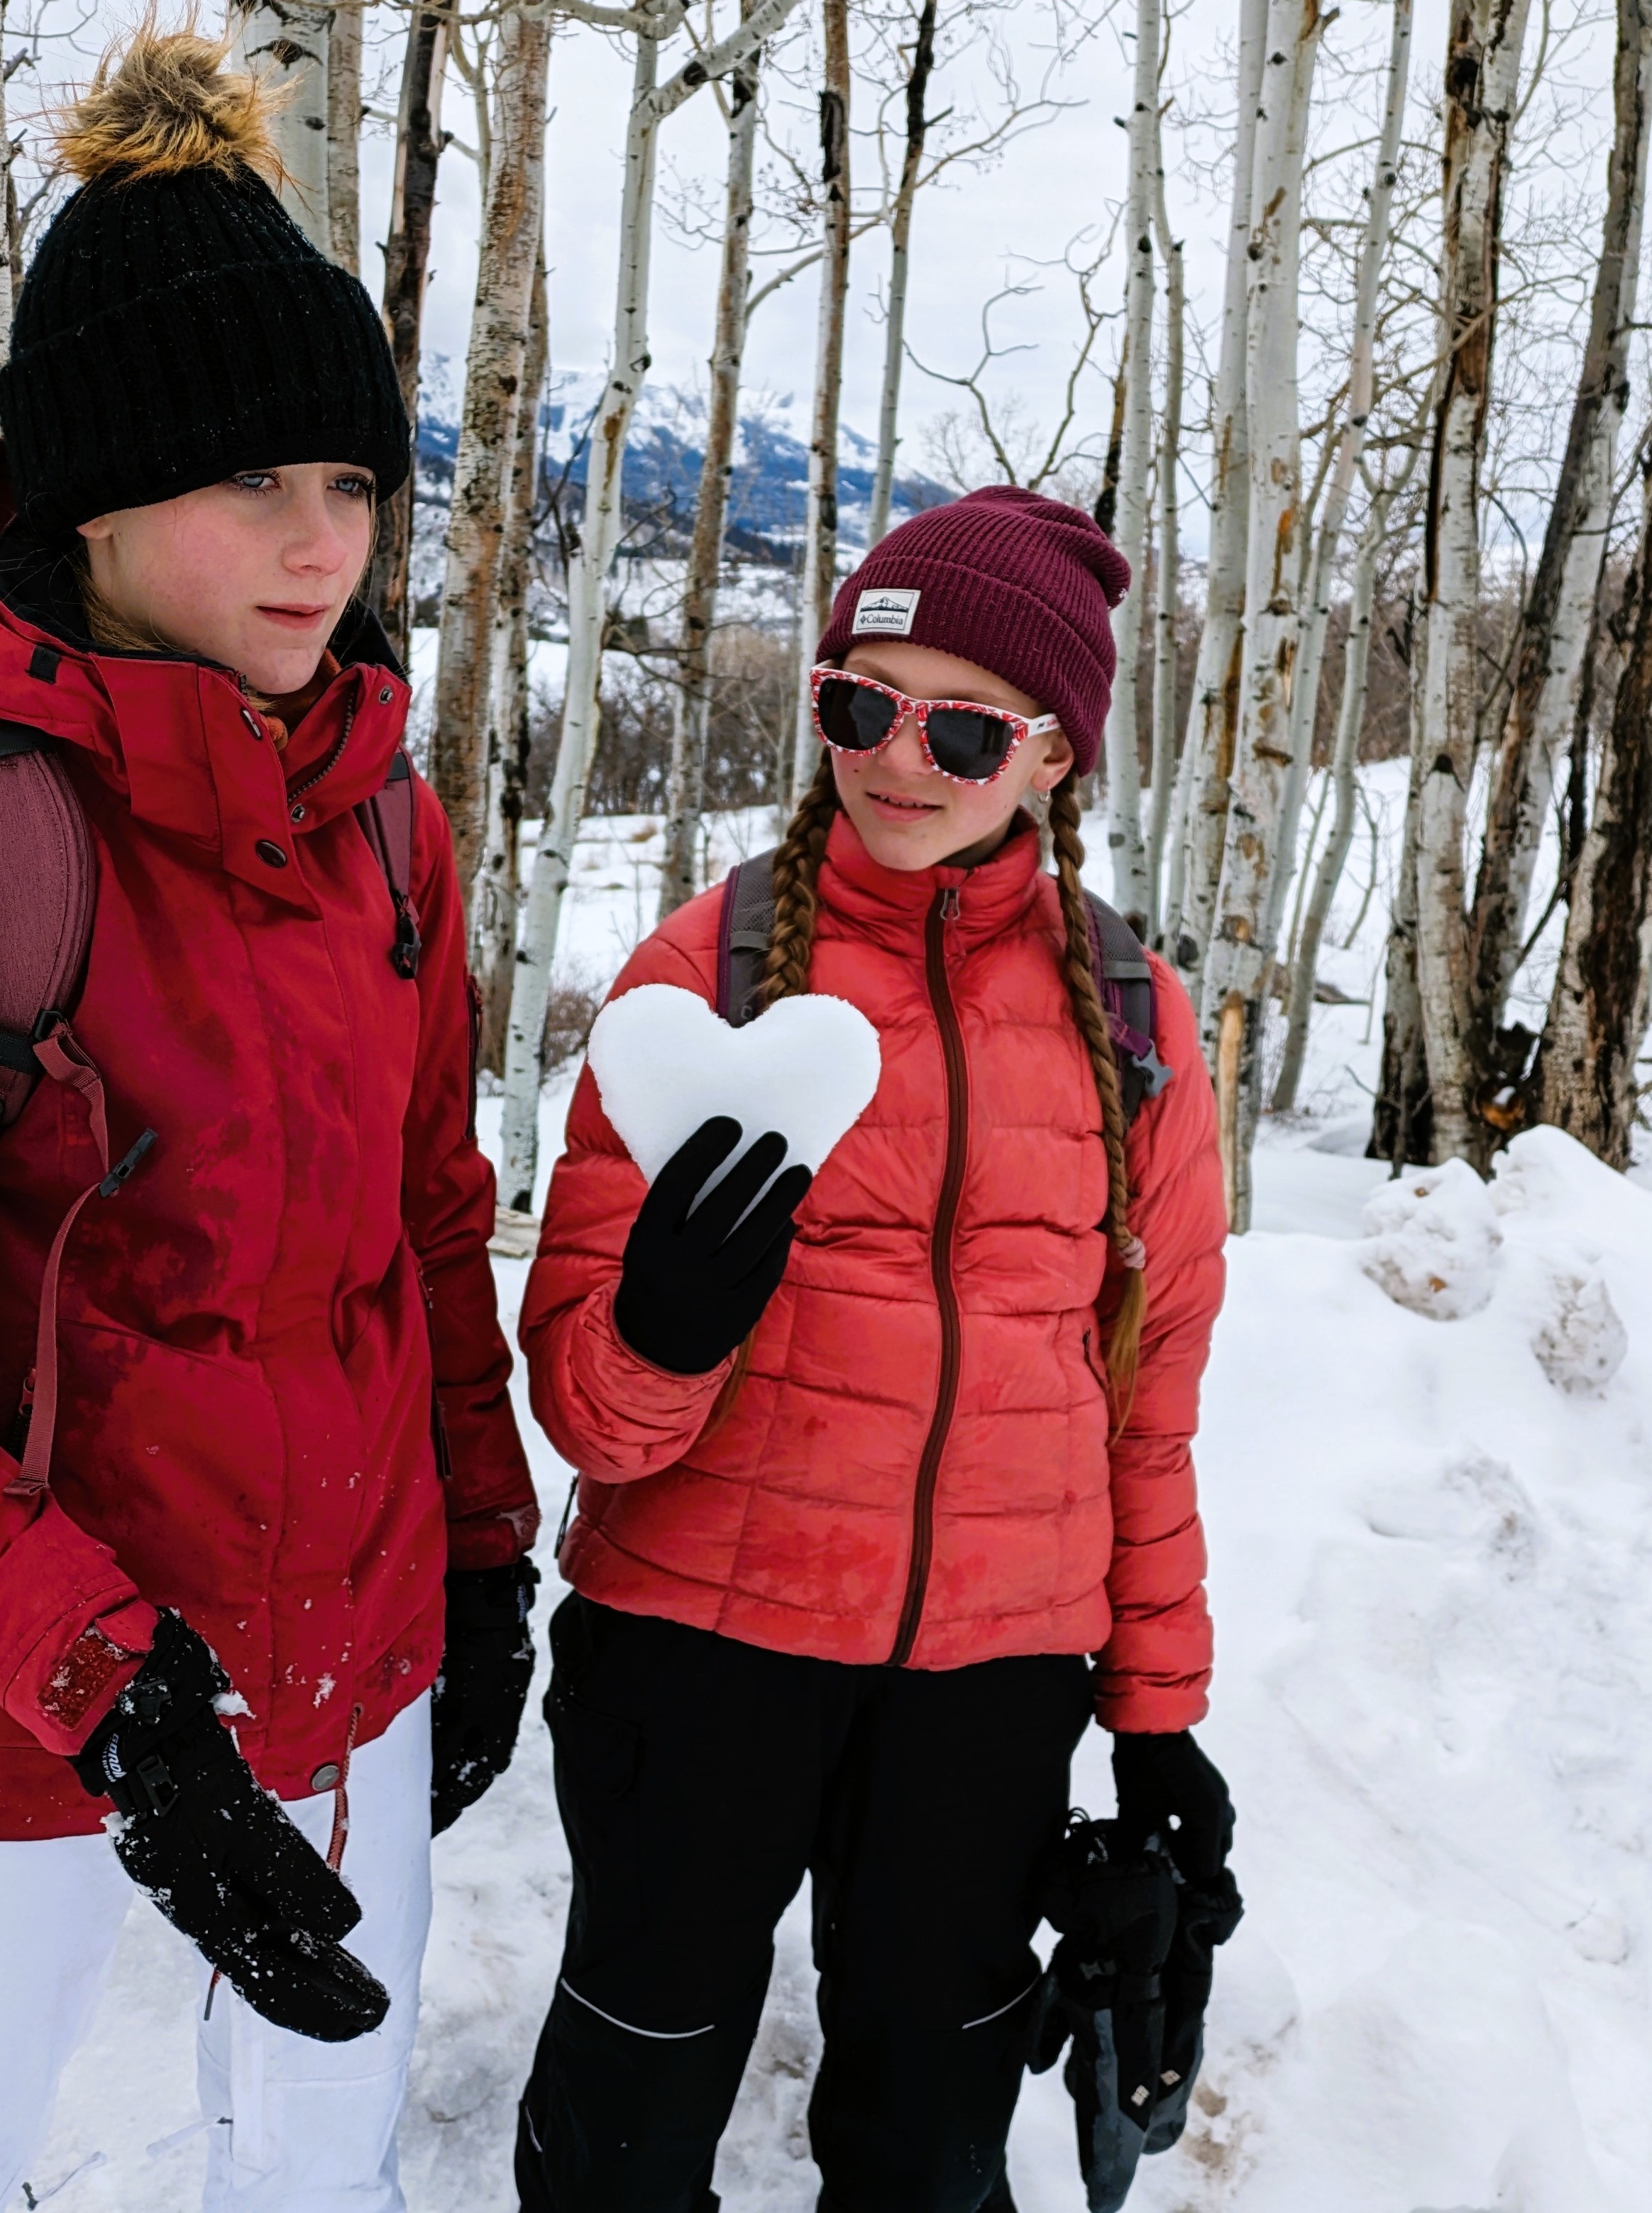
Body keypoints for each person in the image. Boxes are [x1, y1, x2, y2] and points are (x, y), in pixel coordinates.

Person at [0, 32, 538, 2212]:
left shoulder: (385, 828)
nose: (317, 545)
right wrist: (116, 1699)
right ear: (89, 493)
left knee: (315, 2164)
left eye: (351, 485)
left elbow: (429, 1228)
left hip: (343, 1661)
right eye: (250, 482)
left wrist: (485, 1551)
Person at [512, 488, 1233, 2212]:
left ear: (1055, 758)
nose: (900, 760)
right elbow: (591, 1417)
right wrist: (661, 1334)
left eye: (966, 727)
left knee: (930, 2136)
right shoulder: (704, 982)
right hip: (699, 1660)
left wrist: (1155, 1721)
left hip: (987, 1689)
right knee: (631, 2112)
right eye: (860, 704)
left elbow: (1146, 1409)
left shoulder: (1134, 1024)